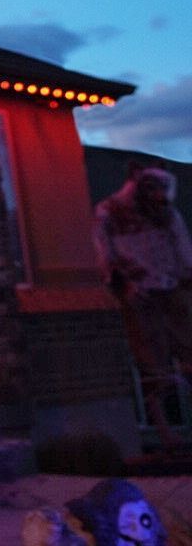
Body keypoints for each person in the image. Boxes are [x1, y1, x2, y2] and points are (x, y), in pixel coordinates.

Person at [93, 164, 192, 448]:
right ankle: (165, 433)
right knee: (152, 363)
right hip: (141, 294)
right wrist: (122, 282)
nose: (158, 194)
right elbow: (104, 252)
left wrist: (186, 276)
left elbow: (182, 246)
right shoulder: (109, 213)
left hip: (172, 289)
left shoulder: (165, 214)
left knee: (187, 352)